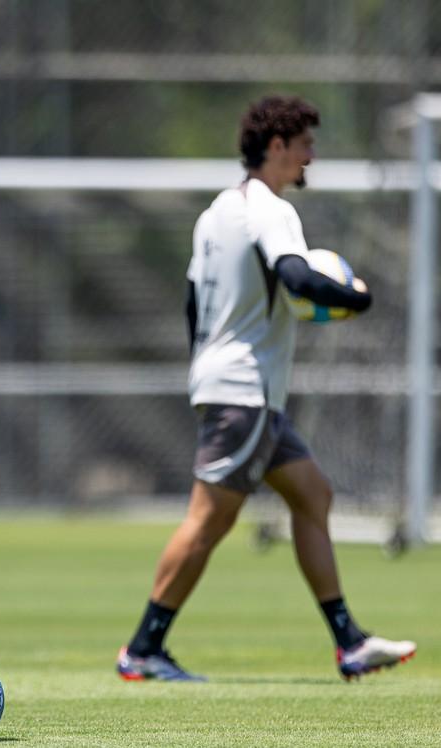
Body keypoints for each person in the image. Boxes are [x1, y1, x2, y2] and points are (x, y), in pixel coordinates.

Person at [117, 96, 416, 682]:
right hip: (245, 391)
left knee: (313, 495)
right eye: (305, 143)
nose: (311, 156)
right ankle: (143, 649)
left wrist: (208, 361)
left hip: (238, 388)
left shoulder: (217, 212)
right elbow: (297, 276)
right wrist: (357, 299)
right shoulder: (270, 209)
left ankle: (348, 641)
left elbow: (191, 302)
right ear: (276, 147)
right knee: (208, 521)